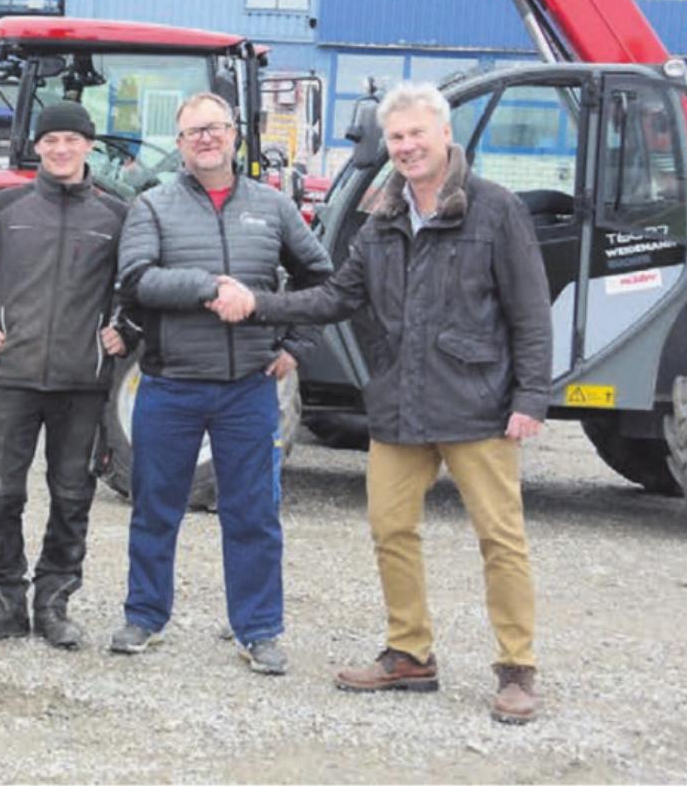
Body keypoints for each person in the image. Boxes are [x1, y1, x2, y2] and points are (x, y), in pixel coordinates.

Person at [212, 81, 552, 724]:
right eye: (396, 137)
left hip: (477, 404)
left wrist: (530, 397)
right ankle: (409, 652)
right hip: (399, 401)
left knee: (500, 538)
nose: (406, 147)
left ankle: (517, 669)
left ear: (445, 135)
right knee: (391, 528)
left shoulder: (495, 210)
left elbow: (530, 314)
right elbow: (335, 297)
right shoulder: (383, 220)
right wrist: (259, 303)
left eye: (417, 134)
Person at [108, 91, 332, 676]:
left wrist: (295, 346)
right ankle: (145, 616)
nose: (205, 139)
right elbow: (137, 280)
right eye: (192, 132)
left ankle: (259, 630)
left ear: (235, 134)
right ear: (179, 144)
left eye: (215, 128)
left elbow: (321, 280)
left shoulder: (274, 207)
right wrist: (211, 288)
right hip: (170, 386)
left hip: (247, 390)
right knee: (155, 507)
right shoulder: (152, 207)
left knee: (253, 513)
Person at [0, 102, 129, 651]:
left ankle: (53, 603)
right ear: (38, 147)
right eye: (51, 141)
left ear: (88, 145)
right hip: (15, 379)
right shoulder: (5, 208)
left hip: (83, 382)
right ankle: (2, 599)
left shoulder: (116, 216)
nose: (61, 149)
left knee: (72, 495)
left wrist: (126, 329)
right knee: (0, 494)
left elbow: (140, 283)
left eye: (71, 139)